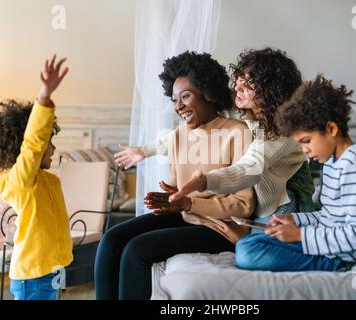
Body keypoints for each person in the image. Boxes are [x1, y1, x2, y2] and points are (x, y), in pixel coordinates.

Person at [94, 51, 255, 300]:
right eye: (174, 99)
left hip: (221, 228)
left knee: (137, 250)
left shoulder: (237, 132)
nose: (178, 106)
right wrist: (164, 199)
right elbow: (174, 188)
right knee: (112, 239)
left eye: (185, 96)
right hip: (187, 216)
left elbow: (244, 205)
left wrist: (189, 202)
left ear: (208, 93)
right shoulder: (180, 135)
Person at [115, 47, 315, 232]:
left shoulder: (283, 130)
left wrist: (204, 181)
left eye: (248, 86)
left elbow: (249, 168)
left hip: (284, 195)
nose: (237, 87)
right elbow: (184, 135)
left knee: (259, 247)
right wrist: (145, 151)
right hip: (257, 192)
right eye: (238, 79)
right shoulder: (236, 106)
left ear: (272, 92)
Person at [235, 75, 356, 272]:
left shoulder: (354, 165)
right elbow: (330, 217)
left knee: (249, 252)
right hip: (329, 244)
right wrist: (295, 220)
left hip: (346, 255)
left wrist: (300, 236)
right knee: (249, 243)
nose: (305, 150)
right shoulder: (334, 161)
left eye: (307, 141)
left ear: (331, 129)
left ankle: (341, 267)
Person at [0, 55, 72, 299]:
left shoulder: (50, 180)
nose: (53, 149)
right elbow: (33, 145)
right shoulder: (21, 181)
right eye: (49, 142)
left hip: (52, 270)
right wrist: (44, 96)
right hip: (32, 278)